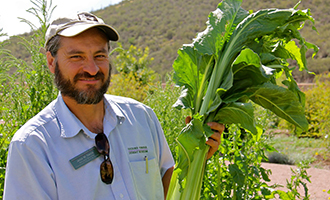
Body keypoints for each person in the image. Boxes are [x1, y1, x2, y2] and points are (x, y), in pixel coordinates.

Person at [3, 12, 224, 200]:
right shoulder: (33, 145)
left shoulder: (141, 117)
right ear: (51, 62)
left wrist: (194, 158)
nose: (91, 68)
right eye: (77, 56)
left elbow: (166, 183)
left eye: (99, 55)